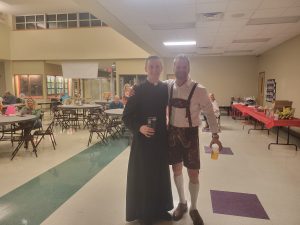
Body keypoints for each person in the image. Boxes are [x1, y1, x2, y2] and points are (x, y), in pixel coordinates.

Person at [166, 55, 223, 225]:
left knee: (193, 173)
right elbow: (151, 86)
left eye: (184, 67)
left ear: (188, 68)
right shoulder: (168, 86)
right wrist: (135, 92)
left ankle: (194, 208)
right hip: (172, 134)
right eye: (178, 67)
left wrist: (215, 136)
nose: (181, 70)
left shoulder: (200, 89)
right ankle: (182, 203)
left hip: (191, 135)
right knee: (176, 169)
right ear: (174, 68)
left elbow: (210, 113)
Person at [122, 56, 173, 225]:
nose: (155, 69)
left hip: (159, 139)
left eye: (158, 66)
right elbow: (127, 116)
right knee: (144, 176)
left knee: (159, 174)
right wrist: (140, 127)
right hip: (143, 141)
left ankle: (160, 209)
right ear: (146, 69)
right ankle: (144, 213)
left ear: (162, 68)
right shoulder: (138, 89)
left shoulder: (165, 88)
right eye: (151, 66)